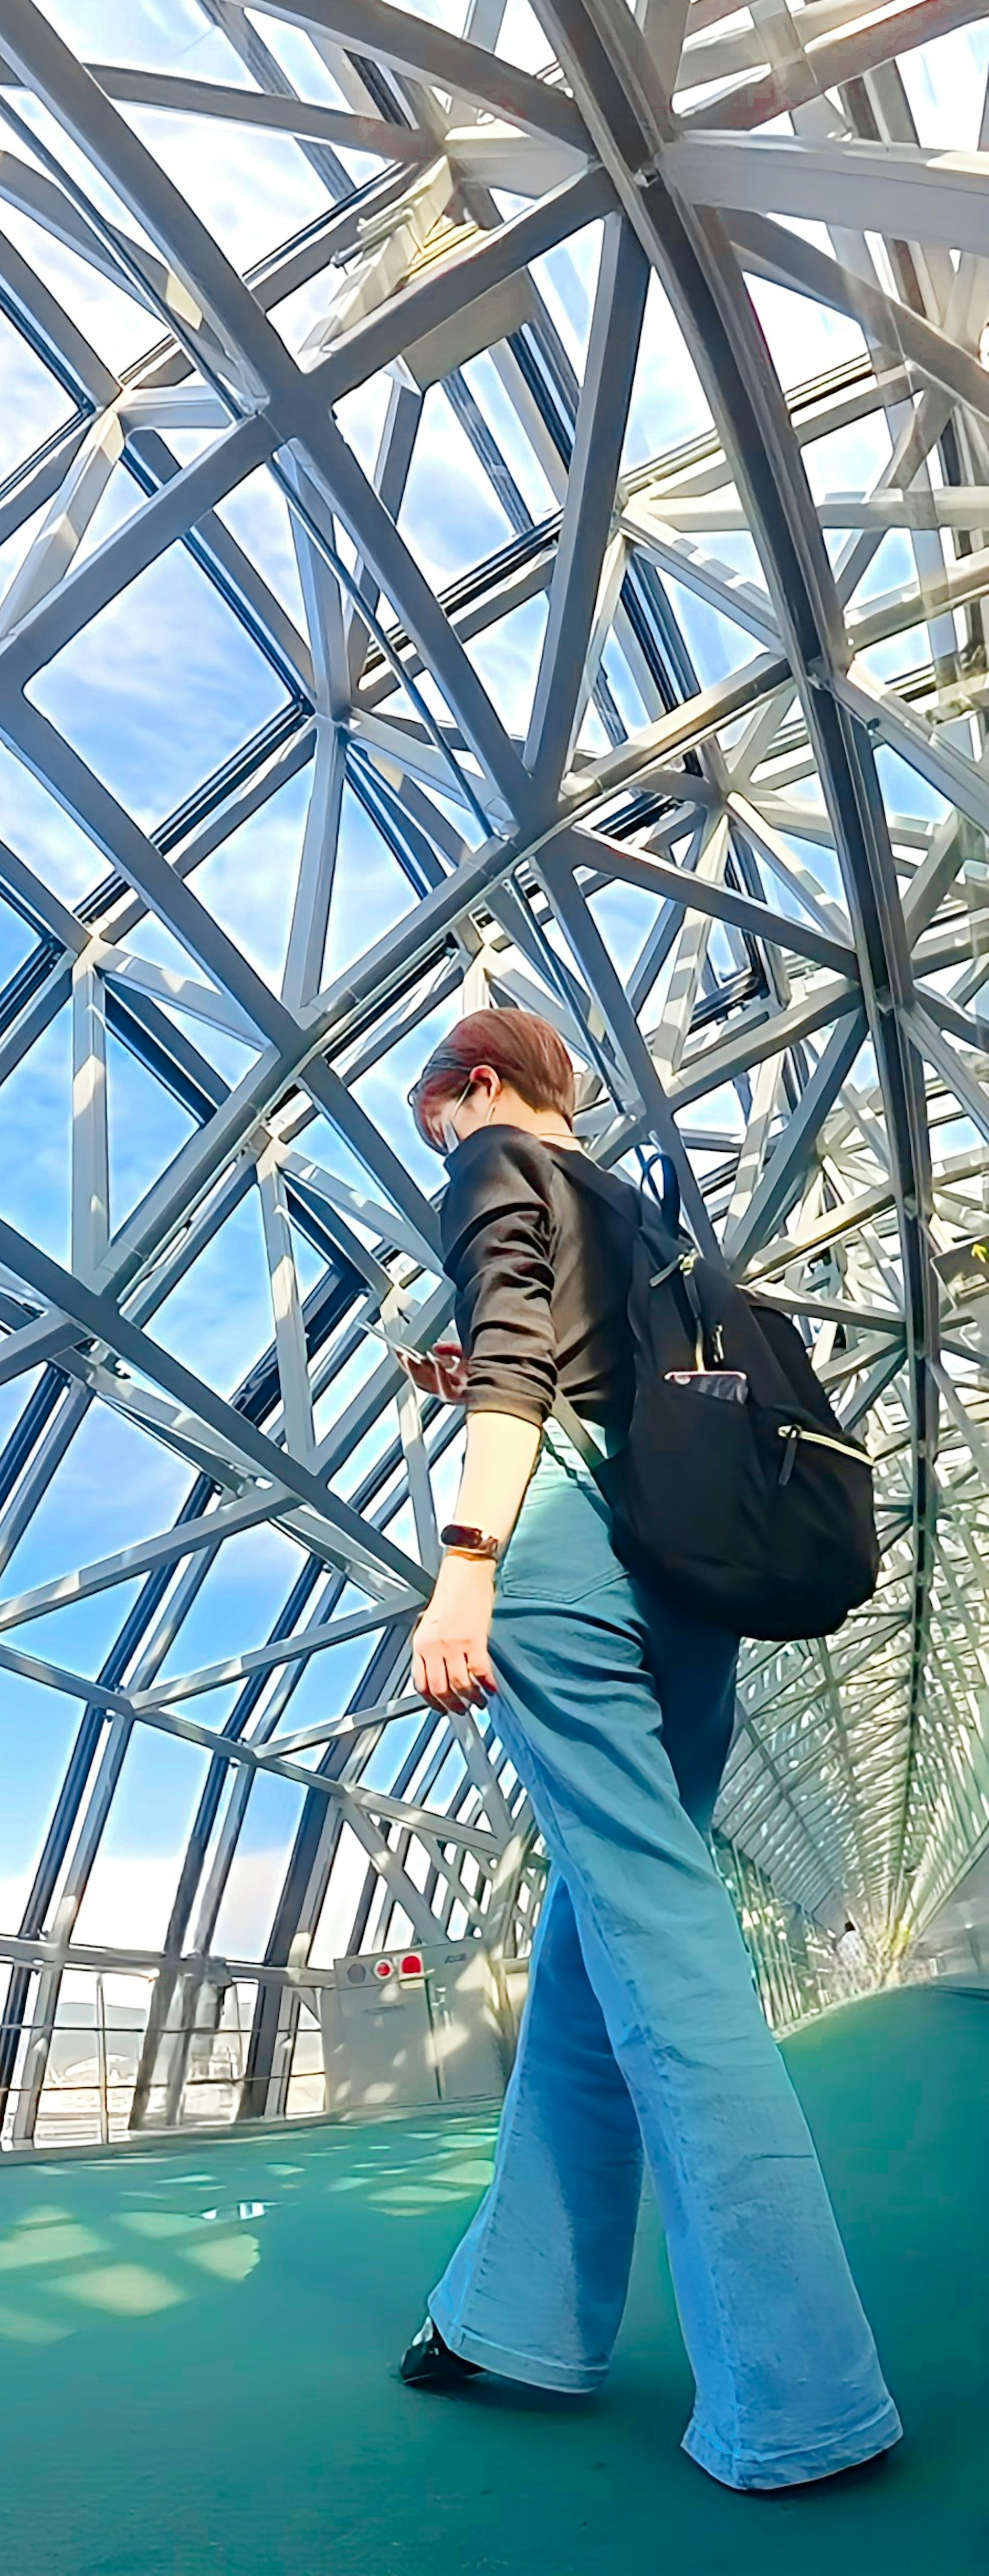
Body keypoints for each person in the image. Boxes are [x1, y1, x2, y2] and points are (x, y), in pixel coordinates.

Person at [391, 1005, 900, 2494]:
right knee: (594, 1940)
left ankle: (801, 2399)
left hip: (559, 1554)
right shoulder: (641, 1215)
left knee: (664, 1953)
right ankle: (513, 2319)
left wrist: (466, 1560)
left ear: (476, 1083)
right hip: (685, 1592)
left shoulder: (490, 1158)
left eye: (442, 1112)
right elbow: (566, 1364)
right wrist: (490, 1382)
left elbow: (512, 1371)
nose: (446, 1138)